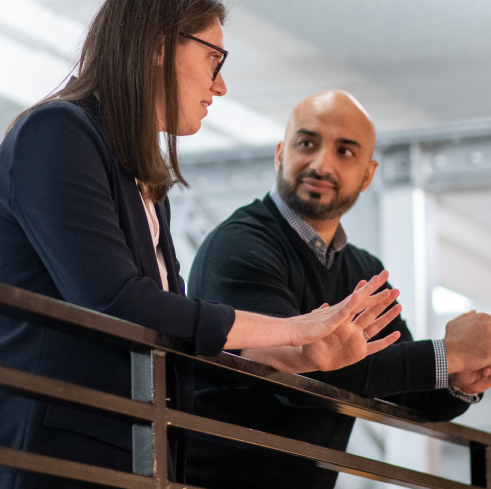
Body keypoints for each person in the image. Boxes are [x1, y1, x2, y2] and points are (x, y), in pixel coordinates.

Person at [0, 0, 401, 489]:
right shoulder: (57, 133)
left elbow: (169, 333)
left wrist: (295, 357)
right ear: (160, 46)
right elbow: (117, 301)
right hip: (42, 457)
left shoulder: (141, 175)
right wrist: (296, 328)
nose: (220, 84)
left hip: (127, 455)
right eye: (214, 59)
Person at [186, 89, 491, 489]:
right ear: (280, 154)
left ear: (368, 175)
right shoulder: (240, 247)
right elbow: (300, 375)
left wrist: (458, 381)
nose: (321, 163)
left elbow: (405, 388)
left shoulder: (364, 270)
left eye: (345, 152)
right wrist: (449, 353)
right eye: (306, 143)